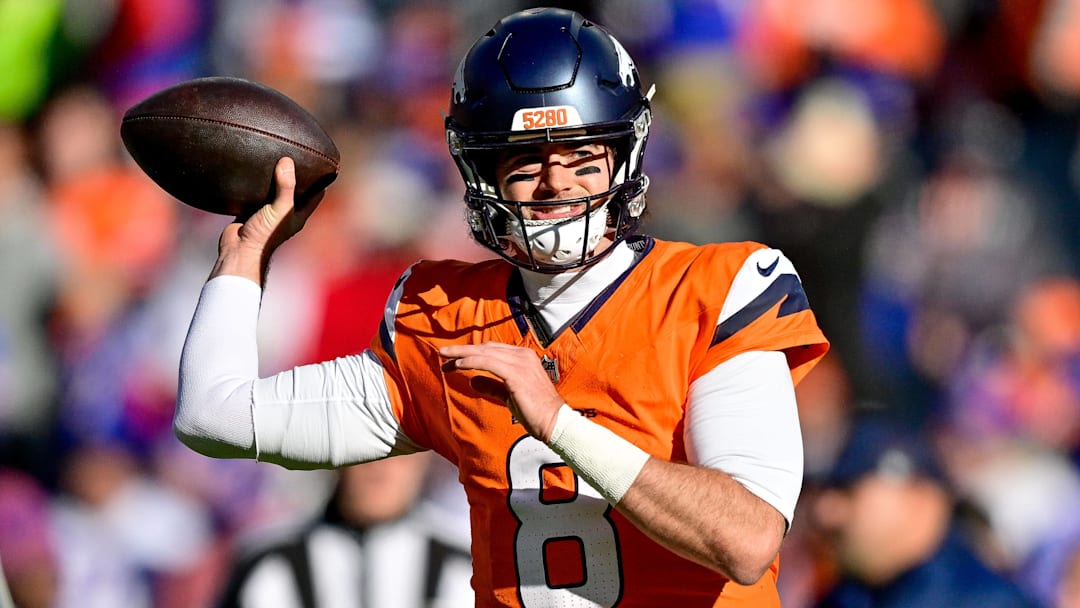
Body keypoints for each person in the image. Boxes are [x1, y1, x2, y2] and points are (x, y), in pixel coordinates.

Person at [173, 7, 829, 606]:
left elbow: (746, 540)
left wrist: (560, 423)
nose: (556, 183)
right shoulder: (444, 313)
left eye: (581, 155)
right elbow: (215, 415)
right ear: (482, 173)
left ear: (623, 155)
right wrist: (244, 257)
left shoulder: (717, 289)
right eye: (524, 162)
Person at [809, 417, 1041, 608]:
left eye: (848, 492)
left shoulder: (987, 601)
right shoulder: (843, 596)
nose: (824, 513)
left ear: (921, 500)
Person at [215, 453, 473, 608]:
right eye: (366, 453)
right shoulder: (266, 561)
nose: (380, 469)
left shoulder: (467, 565)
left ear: (424, 459)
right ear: (335, 456)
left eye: (400, 453)